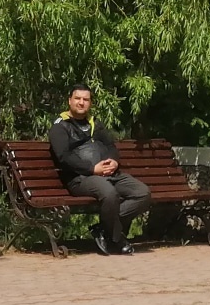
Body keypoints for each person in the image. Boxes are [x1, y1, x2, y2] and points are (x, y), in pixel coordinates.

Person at [48, 87, 151, 256]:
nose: (81, 102)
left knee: (142, 193)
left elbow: (111, 146)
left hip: (110, 174)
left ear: (90, 103)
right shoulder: (60, 127)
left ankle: (104, 228)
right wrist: (92, 169)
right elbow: (64, 156)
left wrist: (114, 161)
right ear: (70, 101)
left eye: (86, 99)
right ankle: (116, 240)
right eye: (77, 98)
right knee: (109, 193)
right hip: (81, 178)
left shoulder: (96, 124)